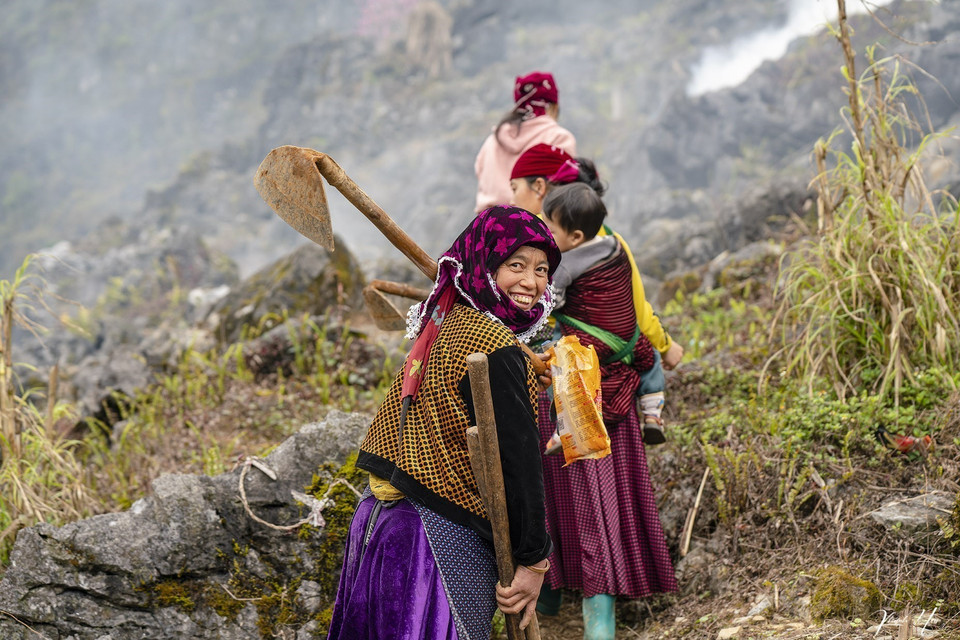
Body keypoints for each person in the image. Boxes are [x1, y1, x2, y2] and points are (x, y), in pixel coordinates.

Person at [328, 206, 562, 640]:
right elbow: (518, 464)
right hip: (433, 541)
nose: (531, 282)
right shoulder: (495, 345)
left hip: (378, 523)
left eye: (542, 269)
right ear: (484, 266)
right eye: (516, 265)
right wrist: (533, 561)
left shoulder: (447, 320)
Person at [509, 146, 679, 640]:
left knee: (578, 498)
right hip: (610, 376)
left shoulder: (562, 263)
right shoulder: (615, 247)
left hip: (577, 389)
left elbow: (539, 310)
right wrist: (660, 348)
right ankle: (564, 597)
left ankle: (588, 615)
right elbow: (640, 317)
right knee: (590, 499)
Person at [510, 143, 683, 442]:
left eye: (514, 187)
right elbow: (634, 309)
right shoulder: (613, 242)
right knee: (647, 358)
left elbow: (632, 305)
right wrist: (663, 346)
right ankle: (652, 410)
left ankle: (564, 427)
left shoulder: (550, 246)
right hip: (619, 359)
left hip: (564, 371)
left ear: (540, 188)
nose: (512, 197)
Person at [474, 71, 577, 213]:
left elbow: (480, 174)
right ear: (553, 107)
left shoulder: (493, 140)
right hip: (531, 226)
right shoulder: (558, 138)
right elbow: (564, 188)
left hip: (487, 226)